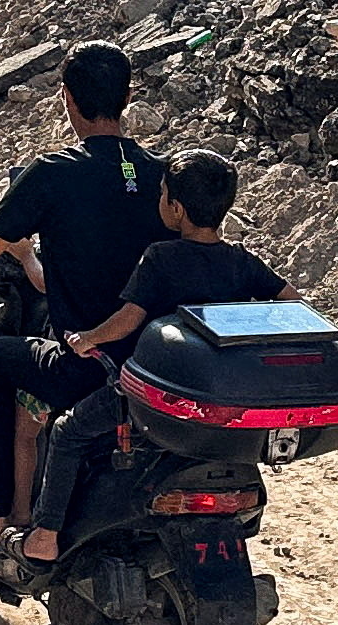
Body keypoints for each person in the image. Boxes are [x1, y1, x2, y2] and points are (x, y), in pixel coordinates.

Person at [0, 42, 156, 550]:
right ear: (128, 97)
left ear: (67, 100)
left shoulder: (52, 172)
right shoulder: (159, 174)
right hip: (152, 361)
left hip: (88, 361)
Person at [23, 146, 285, 564]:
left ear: (176, 208)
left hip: (157, 397)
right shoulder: (241, 262)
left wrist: (87, 338)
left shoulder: (162, 257)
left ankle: (44, 535)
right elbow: (293, 303)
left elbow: (128, 319)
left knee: (67, 433)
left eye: (162, 193)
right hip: (220, 399)